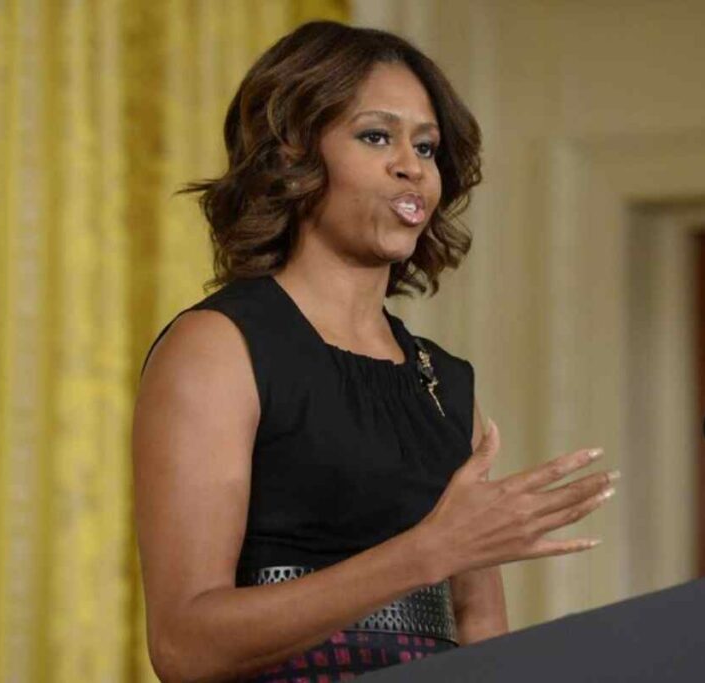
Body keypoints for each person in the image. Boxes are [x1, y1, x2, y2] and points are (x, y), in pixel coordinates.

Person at [132, 20, 618, 683]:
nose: (411, 166)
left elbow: (482, 633)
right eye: (376, 136)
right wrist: (424, 554)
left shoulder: (446, 381)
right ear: (292, 155)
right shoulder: (219, 346)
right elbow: (184, 645)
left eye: (426, 146)